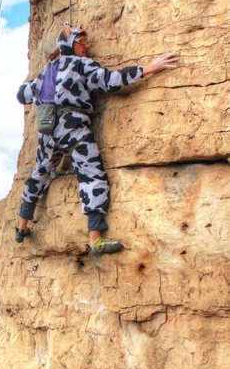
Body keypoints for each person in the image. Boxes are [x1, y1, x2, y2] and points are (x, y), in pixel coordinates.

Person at [15, 24, 178, 255]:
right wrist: (149, 68)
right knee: (91, 173)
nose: (86, 45)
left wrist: (41, 85)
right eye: (81, 41)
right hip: (73, 126)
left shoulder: (46, 71)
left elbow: (22, 94)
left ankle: (21, 228)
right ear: (70, 44)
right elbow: (110, 81)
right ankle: (95, 239)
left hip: (48, 131)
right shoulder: (81, 64)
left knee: (39, 173)